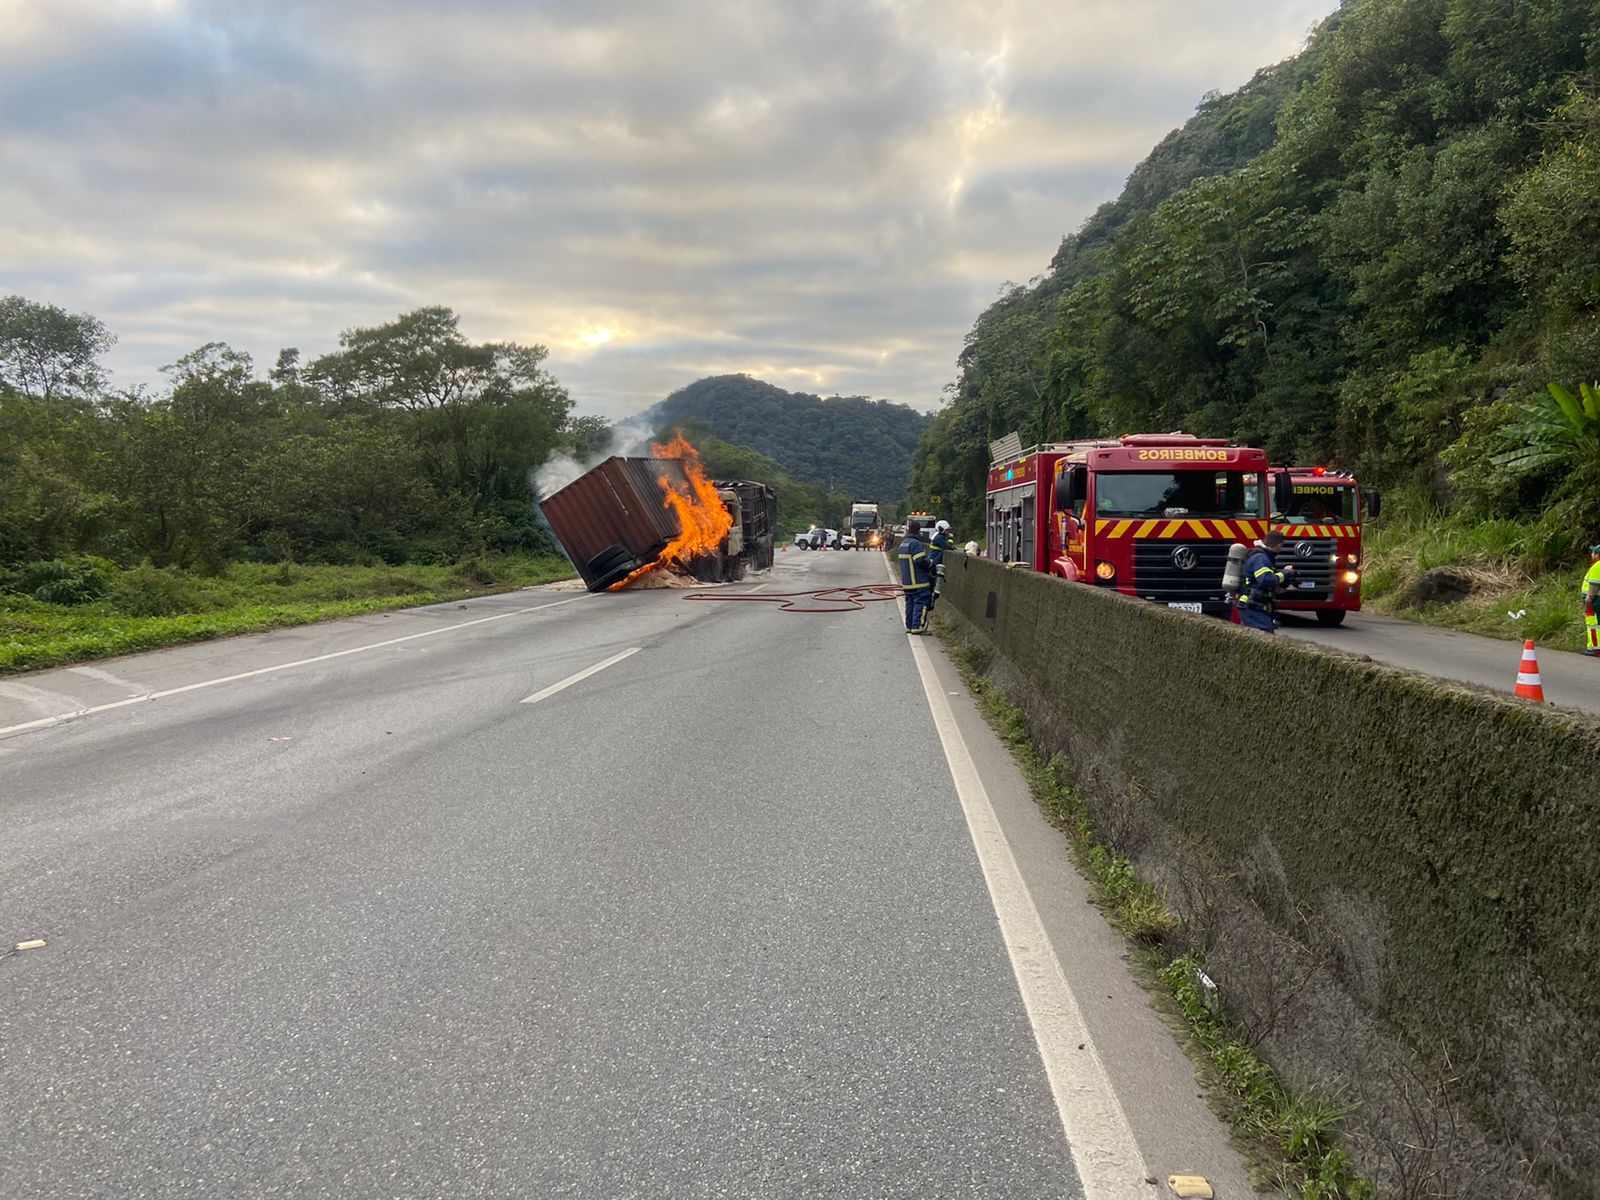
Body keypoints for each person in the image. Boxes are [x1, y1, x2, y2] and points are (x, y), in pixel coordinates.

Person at [1238, 530, 1293, 634]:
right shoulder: (1260, 558)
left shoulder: (1263, 557)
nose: (1281, 547)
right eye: (1281, 544)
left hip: (1256, 605)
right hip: (1253, 606)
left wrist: (1278, 588)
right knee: (1263, 637)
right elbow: (1265, 580)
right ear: (1278, 544)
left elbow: (1261, 581)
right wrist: (1286, 573)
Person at [898, 525, 933, 634]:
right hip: (918, 581)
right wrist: (930, 563)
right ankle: (917, 627)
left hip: (907, 582)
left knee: (910, 604)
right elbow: (919, 560)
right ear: (918, 532)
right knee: (921, 603)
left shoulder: (903, 543)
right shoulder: (916, 544)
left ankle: (909, 626)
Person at [924, 519, 952, 612]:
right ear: (941, 529)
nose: (948, 532)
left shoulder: (937, 536)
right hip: (934, 562)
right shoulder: (939, 537)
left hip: (933, 561)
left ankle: (930, 602)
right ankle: (929, 603)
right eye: (947, 530)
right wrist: (951, 540)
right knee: (933, 584)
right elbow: (946, 546)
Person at [1583, 543, 1600, 657]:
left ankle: (1595, 648)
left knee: (1593, 624)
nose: (1591, 554)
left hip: (1595, 600)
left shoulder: (1597, 566)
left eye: (1593, 552)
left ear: (1598, 555)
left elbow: (1594, 586)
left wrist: (1588, 600)